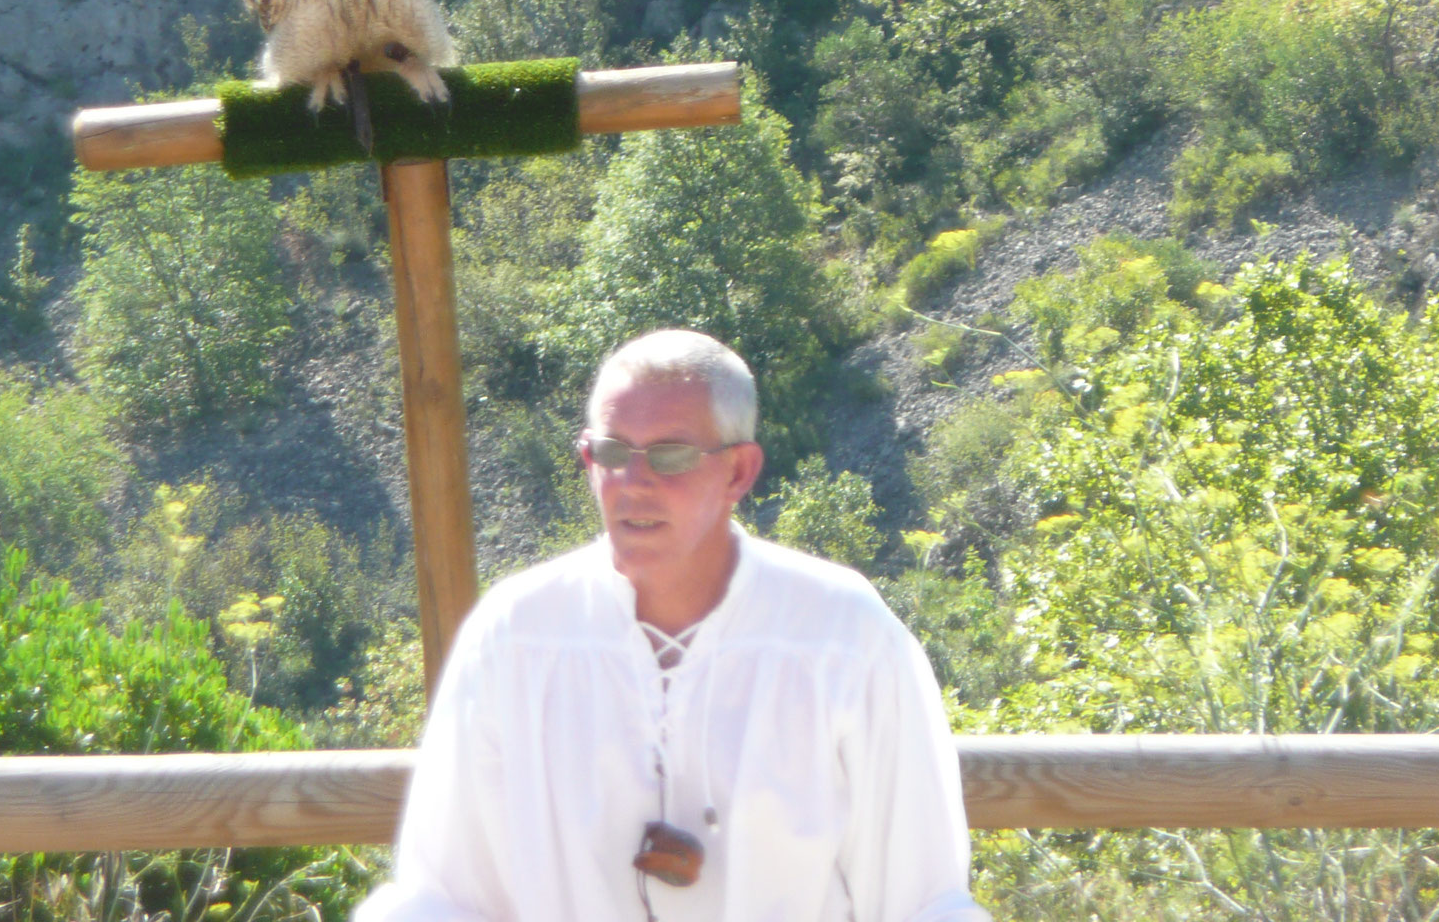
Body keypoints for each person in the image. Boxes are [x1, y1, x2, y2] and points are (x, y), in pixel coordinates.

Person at [358, 329, 991, 922]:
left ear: (738, 472)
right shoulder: (516, 636)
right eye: (611, 452)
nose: (634, 483)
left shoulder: (841, 637)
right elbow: (441, 895)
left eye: (670, 455)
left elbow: (921, 897)